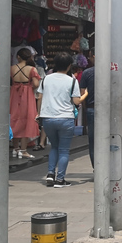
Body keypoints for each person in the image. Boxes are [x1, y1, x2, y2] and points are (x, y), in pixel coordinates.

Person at [37, 52, 81, 187]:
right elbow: (76, 101)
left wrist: (39, 114)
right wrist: (83, 97)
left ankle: (50, 174)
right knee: (63, 150)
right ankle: (60, 179)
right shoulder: (72, 81)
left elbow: (40, 97)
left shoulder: (46, 79)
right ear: (69, 66)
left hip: (48, 118)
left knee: (54, 147)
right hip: (65, 118)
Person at [10, 48, 41, 159]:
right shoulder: (32, 69)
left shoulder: (12, 68)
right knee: (26, 120)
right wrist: (28, 87)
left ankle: (15, 148)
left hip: (14, 93)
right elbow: (36, 84)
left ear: (18, 57)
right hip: (27, 95)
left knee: (14, 119)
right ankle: (23, 150)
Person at [79, 48, 95, 167]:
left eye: (89, 56)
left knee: (93, 141)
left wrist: (85, 108)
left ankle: (96, 167)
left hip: (92, 108)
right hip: (110, 110)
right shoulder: (112, 71)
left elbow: (82, 93)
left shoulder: (87, 73)